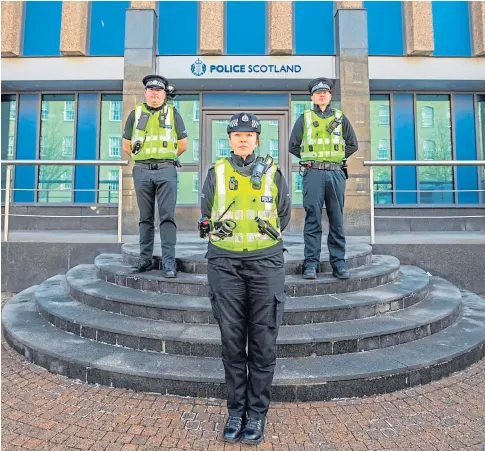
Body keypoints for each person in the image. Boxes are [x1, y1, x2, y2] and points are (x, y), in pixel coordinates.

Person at [199, 113, 291, 445]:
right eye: (236, 134)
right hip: (224, 263)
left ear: (257, 139)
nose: (242, 139)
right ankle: (236, 412)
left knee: (264, 343)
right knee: (232, 342)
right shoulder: (216, 173)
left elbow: (284, 214)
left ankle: (256, 414)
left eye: (248, 134)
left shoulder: (273, 172)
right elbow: (206, 210)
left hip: (265, 262)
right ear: (228, 139)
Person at [289, 77, 358, 280]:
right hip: (313, 173)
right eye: (317, 92)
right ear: (312, 96)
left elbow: (353, 144)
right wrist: (313, 160)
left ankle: (339, 264)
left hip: (336, 173)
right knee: (312, 220)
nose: (321, 95)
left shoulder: (340, 117)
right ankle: (311, 264)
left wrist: (335, 159)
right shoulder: (305, 118)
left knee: (337, 220)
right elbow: (293, 145)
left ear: (329, 95)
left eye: (325, 92)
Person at [122, 75, 187, 277]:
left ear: (165, 94)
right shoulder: (135, 113)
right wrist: (142, 158)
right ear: (145, 93)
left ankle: (169, 263)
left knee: (167, 217)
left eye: (158, 90)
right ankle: (145, 260)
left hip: (166, 170)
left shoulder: (173, 114)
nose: (154, 93)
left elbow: (183, 144)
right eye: (151, 90)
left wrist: (164, 159)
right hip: (142, 170)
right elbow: (126, 145)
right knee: (145, 218)